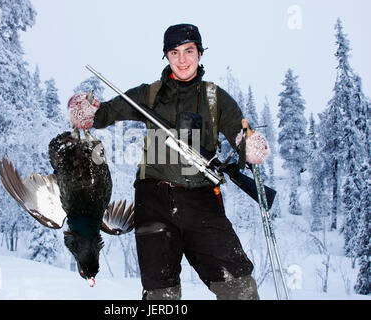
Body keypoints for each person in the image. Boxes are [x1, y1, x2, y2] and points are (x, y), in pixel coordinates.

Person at [68, 23, 269, 300]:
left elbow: (240, 131)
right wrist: (85, 110)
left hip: (202, 201)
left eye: (189, 51)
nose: (182, 59)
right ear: (166, 56)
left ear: (200, 53)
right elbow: (103, 115)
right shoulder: (148, 95)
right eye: (174, 52)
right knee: (161, 297)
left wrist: (250, 144)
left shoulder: (214, 98)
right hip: (153, 203)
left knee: (238, 288)